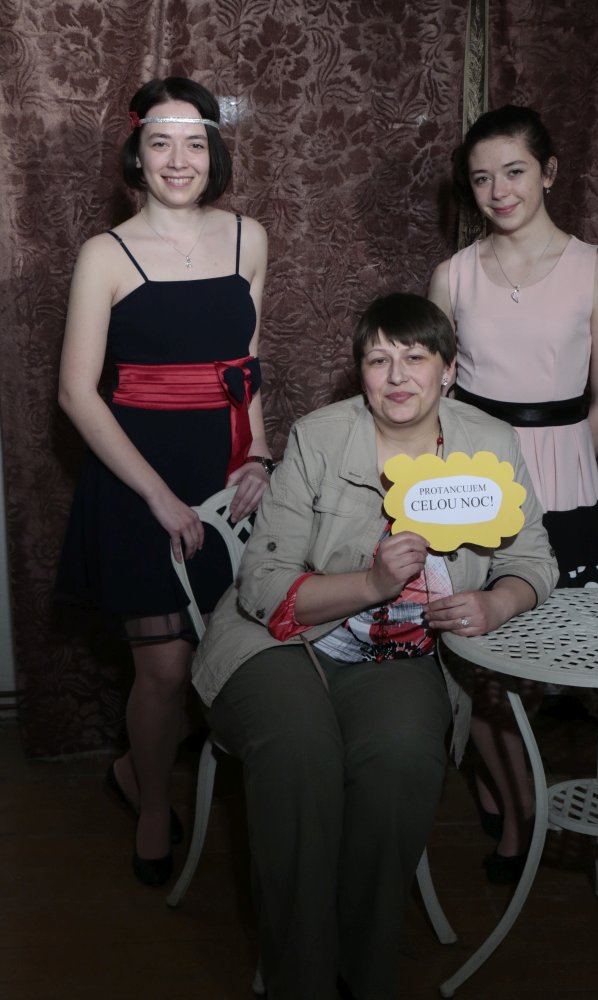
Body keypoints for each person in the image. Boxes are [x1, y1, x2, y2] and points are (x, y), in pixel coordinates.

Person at [192, 292, 558, 1000]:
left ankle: (363, 968)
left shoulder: (489, 443)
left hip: (401, 654)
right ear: (359, 372)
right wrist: (370, 582)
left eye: (415, 358)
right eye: (377, 359)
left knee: (401, 758)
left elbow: (533, 562)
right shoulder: (321, 437)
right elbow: (263, 583)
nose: (397, 376)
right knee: (300, 751)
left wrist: (495, 602)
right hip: (282, 641)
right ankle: (300, 974)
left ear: (448, 371)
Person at [56, 77, 272, 886]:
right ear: (136, 155)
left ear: (213, 151)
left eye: (194, 142)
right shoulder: (104, 255)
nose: (178, 160)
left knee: (234, 656)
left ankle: (139, 772)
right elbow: (77, 393)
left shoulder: (249, 238)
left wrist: (257, 454)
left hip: (225, 470)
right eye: (160, 143)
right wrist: (157, 498)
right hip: (137, 476)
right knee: (166, 670)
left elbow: (246, 368)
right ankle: (149, 800)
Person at [428, 104, 598, 882]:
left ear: (548, 172)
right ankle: (517, 817)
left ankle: (506, 788)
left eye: (513, 171)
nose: (498, 191)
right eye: (480, 178)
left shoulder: (597, 272)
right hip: (471, 488)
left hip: (563, 481)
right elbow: (435, 398)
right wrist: (477, 486)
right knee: (476, 659)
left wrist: (553, 477)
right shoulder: (452, 275)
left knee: (540, 662)